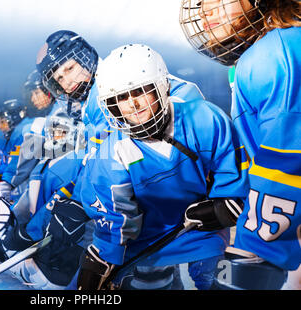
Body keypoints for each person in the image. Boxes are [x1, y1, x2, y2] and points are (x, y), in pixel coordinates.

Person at [75, 44, 249, 290]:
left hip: (201, 233)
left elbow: (232, 176)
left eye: (140, 91)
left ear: (162, 86)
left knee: (219, 281)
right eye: (122, 97)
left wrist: (225, 205)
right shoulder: (112, 155)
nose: (133, 104)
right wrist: (102, 257)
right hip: (146, 243)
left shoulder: (204, 118)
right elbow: (116, 221)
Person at [180, 0, 300, 289]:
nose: (204, 12)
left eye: (215, 0)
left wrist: (256, 245)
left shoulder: (274, 52)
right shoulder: (271, 49)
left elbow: (288, 157)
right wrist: (234, 200)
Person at [0, 112, 89, 290]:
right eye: (52, 132)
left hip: (66, 252)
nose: (54, 138)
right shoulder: (51, 160)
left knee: (47, 277)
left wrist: (25, 234)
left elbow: (53, 209)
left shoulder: (72, 163)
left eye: (61, 133)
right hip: (54, 239)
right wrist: (15, 219)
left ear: (75, 134)